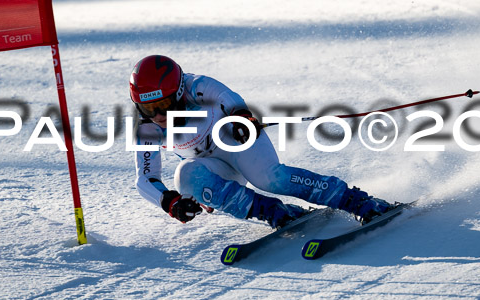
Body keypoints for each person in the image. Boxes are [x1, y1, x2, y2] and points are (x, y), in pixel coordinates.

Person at [130, 54, 394, 228]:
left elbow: (229, 99)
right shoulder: (147, 129)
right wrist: (170, 202)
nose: (157, 116)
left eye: (163, 104)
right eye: (147, 108)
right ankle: (272, 211)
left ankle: (354, 200)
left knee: (269, 179)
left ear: (178, 92)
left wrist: (242, 118)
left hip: (237, 143)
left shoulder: (197, 86)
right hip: (212, 167)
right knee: (185, 175)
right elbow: (146, 177)